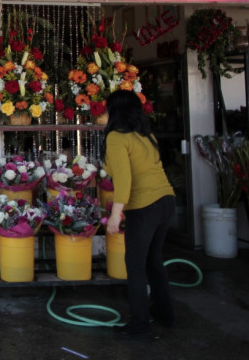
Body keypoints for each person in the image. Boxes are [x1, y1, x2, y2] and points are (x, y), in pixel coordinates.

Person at [103, 89, 176, 340]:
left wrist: (115, 215)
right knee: (153, 261)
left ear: (114, 112)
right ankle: (165, 313)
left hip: (145, 206)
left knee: (134, 265)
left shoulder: (116, 137)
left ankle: (141, 324)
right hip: (166, 200)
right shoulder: (146, 135)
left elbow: (123, 179)